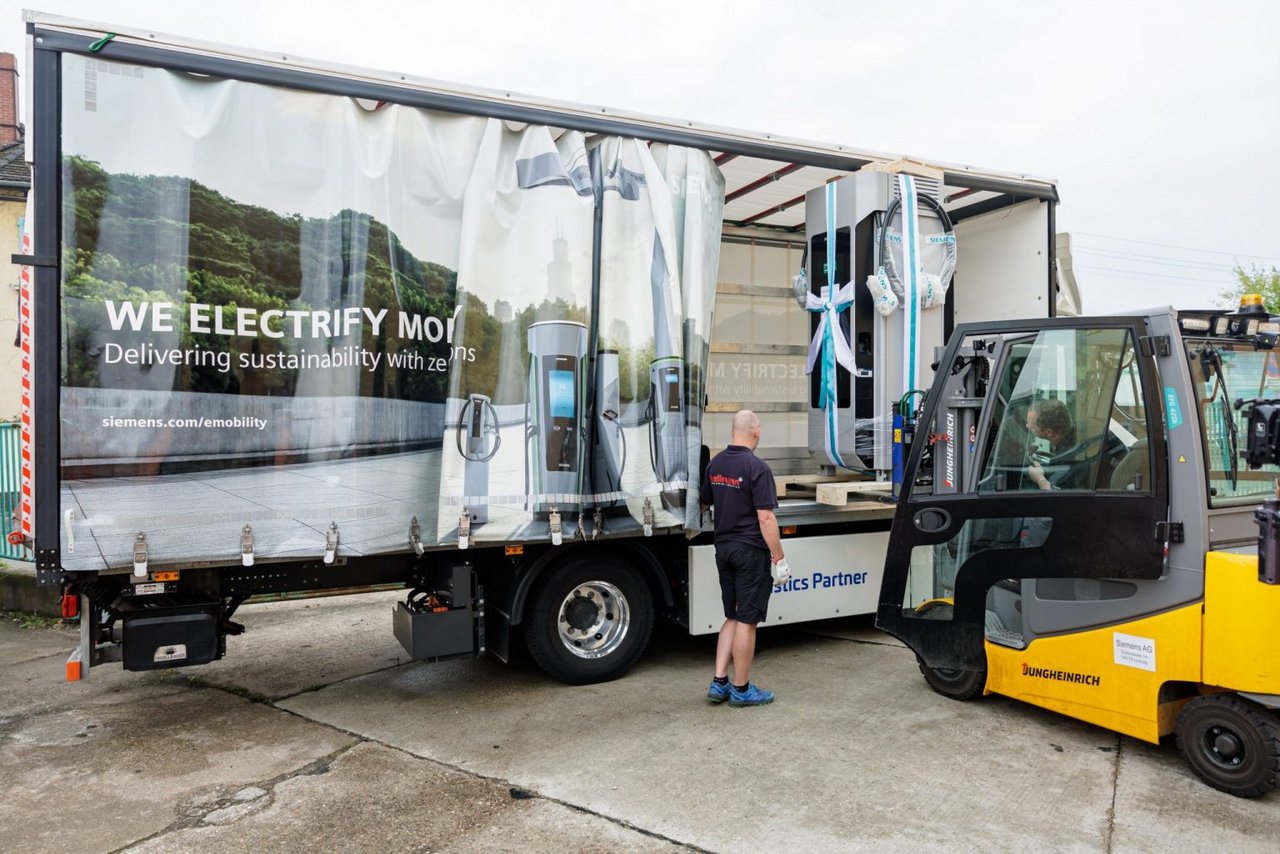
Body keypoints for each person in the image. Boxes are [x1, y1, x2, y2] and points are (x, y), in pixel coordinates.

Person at [698, 410, 785, 707]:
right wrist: (778, 555)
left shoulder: (715, 464)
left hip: (723, 549)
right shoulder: (757, 467)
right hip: (750, 551)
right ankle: (742, 688)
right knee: (747, 620)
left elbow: (703, 503)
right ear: (756, 431)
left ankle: (719, 681)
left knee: (732, 616)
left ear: (732, 431)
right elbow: (766, 517)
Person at [1024, 398, 1080, 491]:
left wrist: (1040, 479)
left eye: (1032, 427)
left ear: (1049, 432)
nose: (1027, 426)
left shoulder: (1068, 458)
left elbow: (1059, 498)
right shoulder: (1077, 434)